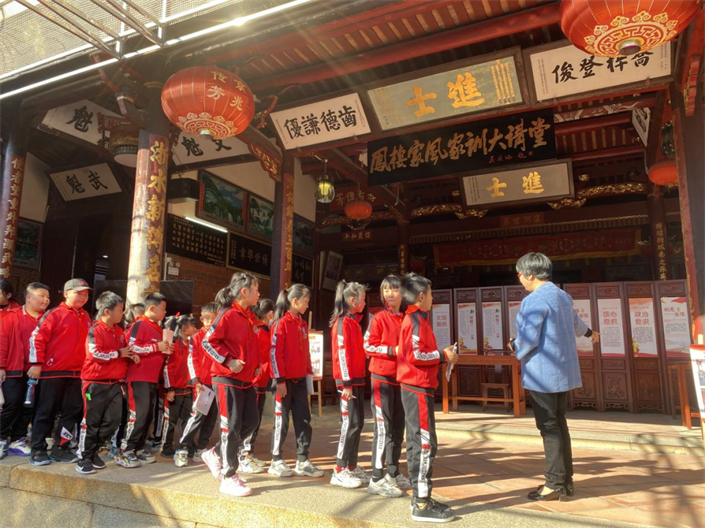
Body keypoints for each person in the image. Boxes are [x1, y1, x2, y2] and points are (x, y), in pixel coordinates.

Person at [509, 252, 599, 502]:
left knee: (548, 428)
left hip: (542, 374)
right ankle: (565, 481)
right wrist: (590, 333)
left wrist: (514, 346)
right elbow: (577, 324)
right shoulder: (562, 296)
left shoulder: (533, 300)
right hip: (563, 372)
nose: (520, 279)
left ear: (530, 274)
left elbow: (528, 338)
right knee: (559, 424)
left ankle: (554, 483)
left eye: (519, 274)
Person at [398, 272, 458, 523]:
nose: (433, 298)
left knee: (418, 442)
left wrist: (441, 355)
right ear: (421, 296)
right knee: (424, 443)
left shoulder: (417, 318)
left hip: (416, 386)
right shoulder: (415, 320)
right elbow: (415, 355)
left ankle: (420, 497)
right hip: (417, 387)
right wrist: (443, 355)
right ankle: (422, 502)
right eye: (431, 294)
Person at [201, 273, 262, 497]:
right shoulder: (227, 314)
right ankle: (228, 477)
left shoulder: (248, 316)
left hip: (245, 380)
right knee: (231, 426)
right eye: (256, 289)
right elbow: (207, 342)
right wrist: (228, 361)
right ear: (244, 291)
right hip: (227, 379)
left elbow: (248, 346)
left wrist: (255, 365)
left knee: (251, 421)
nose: (259, 294)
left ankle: (215, 453)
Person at [28, 278, 93, 466]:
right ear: (66, 294)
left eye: (85, 294)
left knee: (71, 413)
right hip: (53, 372)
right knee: (46, 411)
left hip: (78, 374)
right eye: (78, 293)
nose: (82, 297)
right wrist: (37, 363)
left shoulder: (86, 317)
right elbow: (37, 338)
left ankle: (61, 447)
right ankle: (38, 449)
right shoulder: (54, 314)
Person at [77, 292, 139, 475]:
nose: (122, 313)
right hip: (94, 383)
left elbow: (123, 352)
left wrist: (130, 356)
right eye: (120, 309)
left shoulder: (119, 331)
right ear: (106, 311)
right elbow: (94, 354)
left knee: (114, 420)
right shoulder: (95, 330)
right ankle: (84, 457)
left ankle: (94, 450)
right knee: (91, 421)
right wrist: (119, 353)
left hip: (114, 384)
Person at [268, 285, 324, 479]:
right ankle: (276, 459)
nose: (307, 305)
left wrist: (308, 373)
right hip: (283, 382)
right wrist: (279, 380)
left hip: (300, 381)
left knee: (304, 420)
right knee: (281, 421)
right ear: (295, 301)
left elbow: (306, 351)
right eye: (306, 301)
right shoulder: (281, 323)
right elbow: (275, 353)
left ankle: (303, 460)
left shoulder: (302, 324)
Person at [364, 275, 410, 497]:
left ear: (403, 293)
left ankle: (393, 472)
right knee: (382, 428)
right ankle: (376, 478)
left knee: (397, 428)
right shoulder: (378, 318)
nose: (390, 294)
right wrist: (392, 350)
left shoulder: (407, 318)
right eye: (386, 290)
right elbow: (368, 346)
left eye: (394, 289)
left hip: (401, 380)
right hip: (381, 379)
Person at [119, 293, 172, 468]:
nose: (165, 312)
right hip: (138, 377)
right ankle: (125, 451)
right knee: (138, 415)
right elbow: (131, 347)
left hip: (151, 378)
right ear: (152, 308)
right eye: (163, 308)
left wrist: (165, 349)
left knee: (147, 415)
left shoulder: (158, 328)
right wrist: (157, 346)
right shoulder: (140, 324)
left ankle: (138, 448)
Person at [0, 282, 50, 459]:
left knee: (28, 407)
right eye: (42, 295)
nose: (46, 300)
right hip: (14, 368)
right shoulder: (12, 316)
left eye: (47, 296)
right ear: (28, 297)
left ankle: (17, 439)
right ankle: (1, 437)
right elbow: (2, 342)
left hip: (39, 371)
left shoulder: (49, 318)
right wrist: (1, 366)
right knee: (10, 404)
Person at [330, 280, 368, 489]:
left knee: (357, 423)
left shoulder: (354, 322)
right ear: (353, 300)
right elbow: (342, 354)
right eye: (363, 299)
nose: (364, 303)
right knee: (349, 424)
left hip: (356, 380)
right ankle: (339, 469)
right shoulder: (343, 323)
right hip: (348, 382)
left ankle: (351, 466)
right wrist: (346, 383)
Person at [238, 298, 274, 473]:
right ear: (270, 314)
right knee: (252, 420)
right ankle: (244, 454)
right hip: (256, 380)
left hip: (260, 379)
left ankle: (249, 453)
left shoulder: (261, 329)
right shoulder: (259, 331)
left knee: (255, 419)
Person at [180, 303, 219, 462]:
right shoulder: (197, 337)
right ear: (201, 319)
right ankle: (183, 447)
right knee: (197, 416)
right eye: (206, 318)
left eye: (213, 318)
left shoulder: (221, 336)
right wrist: (196, 380)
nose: (209, 321)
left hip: (217, 382)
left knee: (211, 418)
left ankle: (201, 447)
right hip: (203, 384)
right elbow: (192, 359)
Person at [162, 315, 198, 466]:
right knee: (170, 421)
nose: (195, 329)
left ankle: (187, 444)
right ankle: (166, 446)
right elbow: (167, 367)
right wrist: (169, 388)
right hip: (175, 389)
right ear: (184, 328)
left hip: (187, 388)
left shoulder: (191, 344)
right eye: (192, 326)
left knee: (188, 419)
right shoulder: (173, 343)